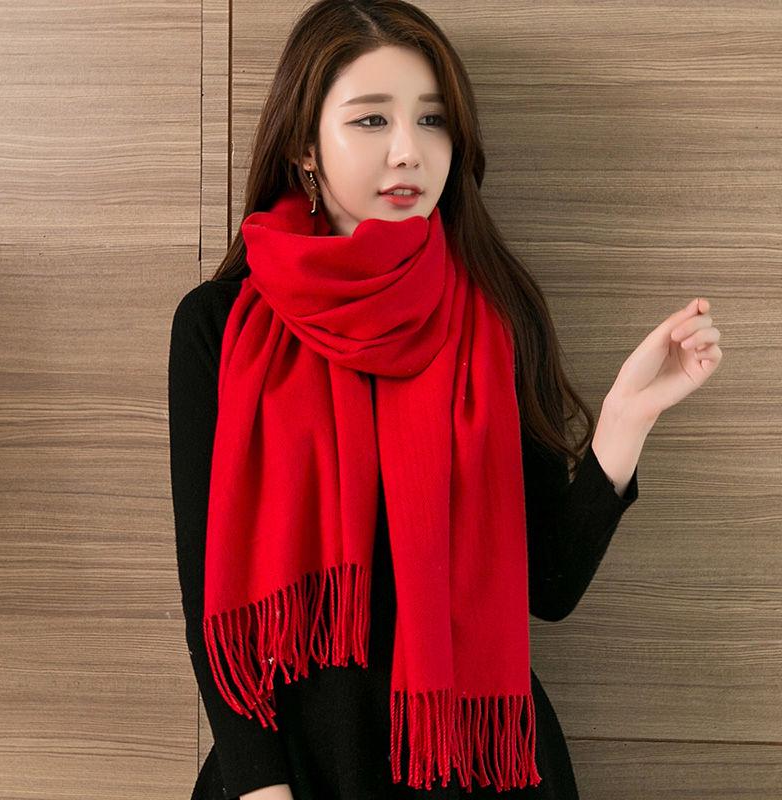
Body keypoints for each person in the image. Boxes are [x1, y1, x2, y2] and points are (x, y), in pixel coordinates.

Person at [167, 2, 722, 799]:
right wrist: (260, 787)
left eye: (432, 120)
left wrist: (625, 420)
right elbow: (210, 599)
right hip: (293, 772)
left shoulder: (494, 315)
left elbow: (550, 587)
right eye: (371, 119)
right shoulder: (218, 327)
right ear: (303, 148)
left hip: (475, 766)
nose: (409, 150)